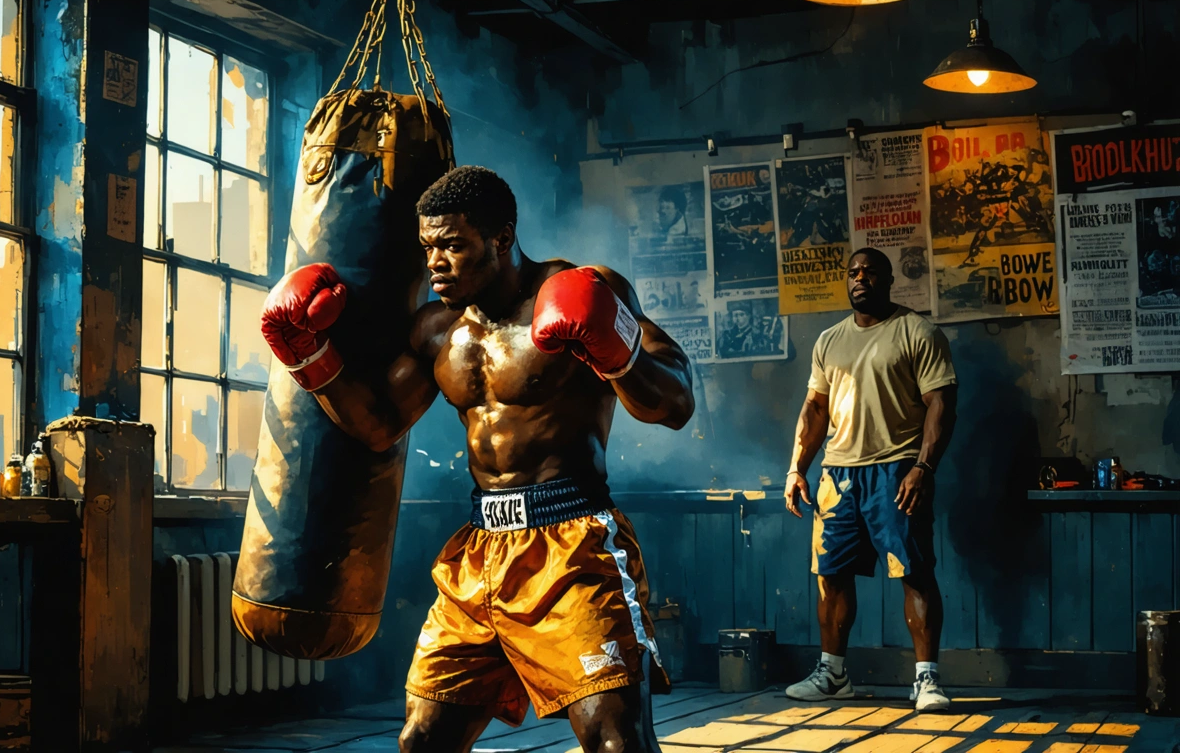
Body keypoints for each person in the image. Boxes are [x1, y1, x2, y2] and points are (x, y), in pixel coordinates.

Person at [259, 165, 695, 753]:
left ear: (502, 237)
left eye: (452, 245)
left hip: (572, 549)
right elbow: (379, 427)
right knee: (423, 741)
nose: (435, 263)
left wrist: (619, 351)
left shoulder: (581, 288)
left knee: (616, 742)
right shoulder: (437, 329)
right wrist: (309, 356)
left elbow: (677, 402)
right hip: (478, 553)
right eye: (427, 248)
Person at [782, 248, 958, 712]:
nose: (860, 278)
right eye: (853, 272)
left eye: (870, 272)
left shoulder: (917, 332)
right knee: (831, 576)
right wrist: (797, 468)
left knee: (914, 572)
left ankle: (926, 680)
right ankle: (833, 675)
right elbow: (815, 409)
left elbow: (941, 403)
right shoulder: (829, 340)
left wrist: (924, 467)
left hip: (896, 469)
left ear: (888, 279)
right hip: (838, 475)